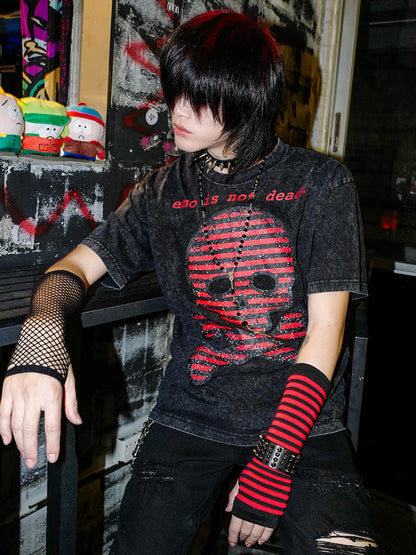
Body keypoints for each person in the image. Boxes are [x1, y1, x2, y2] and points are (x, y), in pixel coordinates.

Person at [0, 10, 379, 554]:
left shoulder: (320, 183)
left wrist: (273, 462)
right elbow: (73, 268)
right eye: (175, 92)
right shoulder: (163, 191)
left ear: (247, 100)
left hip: (303, 419)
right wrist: (42, 335)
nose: (176, 112)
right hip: (193, 415)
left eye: (200, 100)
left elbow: (325, 331)